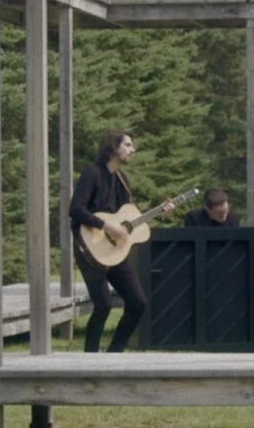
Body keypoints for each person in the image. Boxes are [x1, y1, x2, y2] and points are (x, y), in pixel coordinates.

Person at [66, 130, 177, 352]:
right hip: (90, 246)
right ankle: (88, 359)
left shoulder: (122, 180)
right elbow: (76, 209)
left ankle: (114, 354)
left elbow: (127, 218)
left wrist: (157, 213)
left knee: (138, 303)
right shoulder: (92, 174)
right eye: (127, 145)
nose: (132, 150)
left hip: (115, 250)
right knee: (103, 305)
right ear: (113, 147)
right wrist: (106, 226)